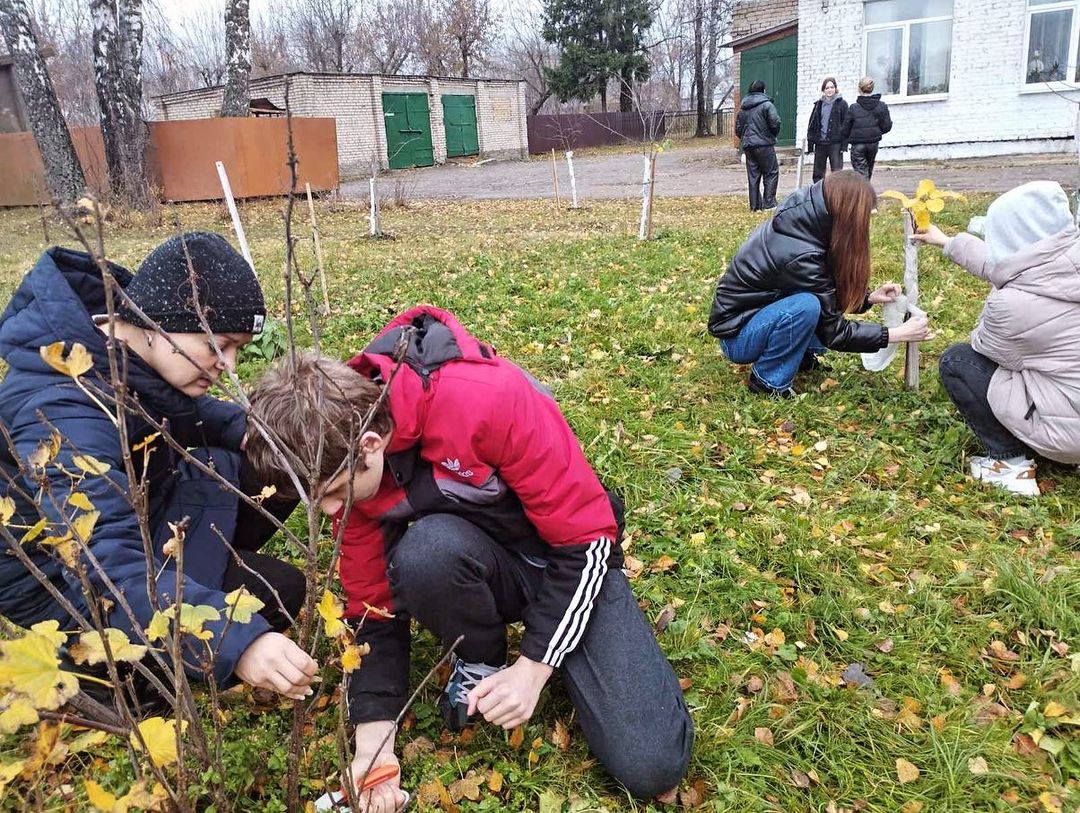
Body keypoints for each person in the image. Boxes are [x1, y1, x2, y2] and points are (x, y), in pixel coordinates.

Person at [246, 307, 694, 811]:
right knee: (426, 552)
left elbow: (588, 540)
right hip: (479, 559)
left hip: (565, 559)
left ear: (369, 444)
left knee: (652, 764)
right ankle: (481, 660)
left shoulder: (486, 399)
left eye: (334, 492)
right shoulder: (345, 461)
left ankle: (561, 645)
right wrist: (375, 752)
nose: (332, 511)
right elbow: (371, 606)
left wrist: (534, 667)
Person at [0, 232, 314, 701]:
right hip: (62, 584)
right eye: (217, 345)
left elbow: (168, 407)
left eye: (237, 351)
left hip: (141, 511)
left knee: (270, 461)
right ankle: (119, 681)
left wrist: (251, 430)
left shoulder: (114, 347)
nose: (227, 367)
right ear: (157, 323)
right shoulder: (65, 412)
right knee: (274, 596)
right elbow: (102, 568)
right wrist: (238, 643)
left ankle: (201, 580)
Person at [913, 181, 1080, 496]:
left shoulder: (1012, 306)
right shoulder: (1063, 256)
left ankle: (1010, 465)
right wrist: (947, 242)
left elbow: (985, 346)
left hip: (1066, 436)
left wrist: (1001, 297)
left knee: (959, 361)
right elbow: (1023, 270)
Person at [707, 170, 932, 397]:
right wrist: (896, 334)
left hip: (756, 318)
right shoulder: (799, 250)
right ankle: (768, 382)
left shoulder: (808, 221)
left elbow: (823, 288)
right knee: (806, 306)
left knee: (810, 302)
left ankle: (800, 357)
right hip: (737, 337)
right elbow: (834, 332)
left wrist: (868, 297)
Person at [735, 79, 781, 211]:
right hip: (764, 144)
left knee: (753, 176)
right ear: (763, 90)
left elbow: (738, 130)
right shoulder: (767, 105)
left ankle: (755, 206)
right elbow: (775, 123)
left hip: (748, 145)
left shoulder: (743, 107)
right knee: (771, 172)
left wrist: (746, 138)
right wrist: (771, 135)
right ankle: (769, 203)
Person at [841, 77, 892, 181]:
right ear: (872, 88)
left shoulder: (854, 108)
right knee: (868, 171)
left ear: (859, 89)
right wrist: (876, 132)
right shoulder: (881, 106)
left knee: (861, 173)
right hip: (873, 144)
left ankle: (864, 195)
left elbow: (845, 129)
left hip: (858, 145)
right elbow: (887, 126)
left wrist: (846, 138)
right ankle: (866, 193)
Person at [806, 77, 848, 183]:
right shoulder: (818, 105)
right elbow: (812, 124)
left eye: (832, 87)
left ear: (835, 89)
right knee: (818, 173)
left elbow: (846, 125)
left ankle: (837, 195)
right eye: (827, 88)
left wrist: (844, 144)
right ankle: (818, 193)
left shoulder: (842, 104)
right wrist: (810, 144)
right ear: (823, 90)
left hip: (835, 143)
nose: (829, 90)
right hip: (820, 143)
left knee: (837, 172)